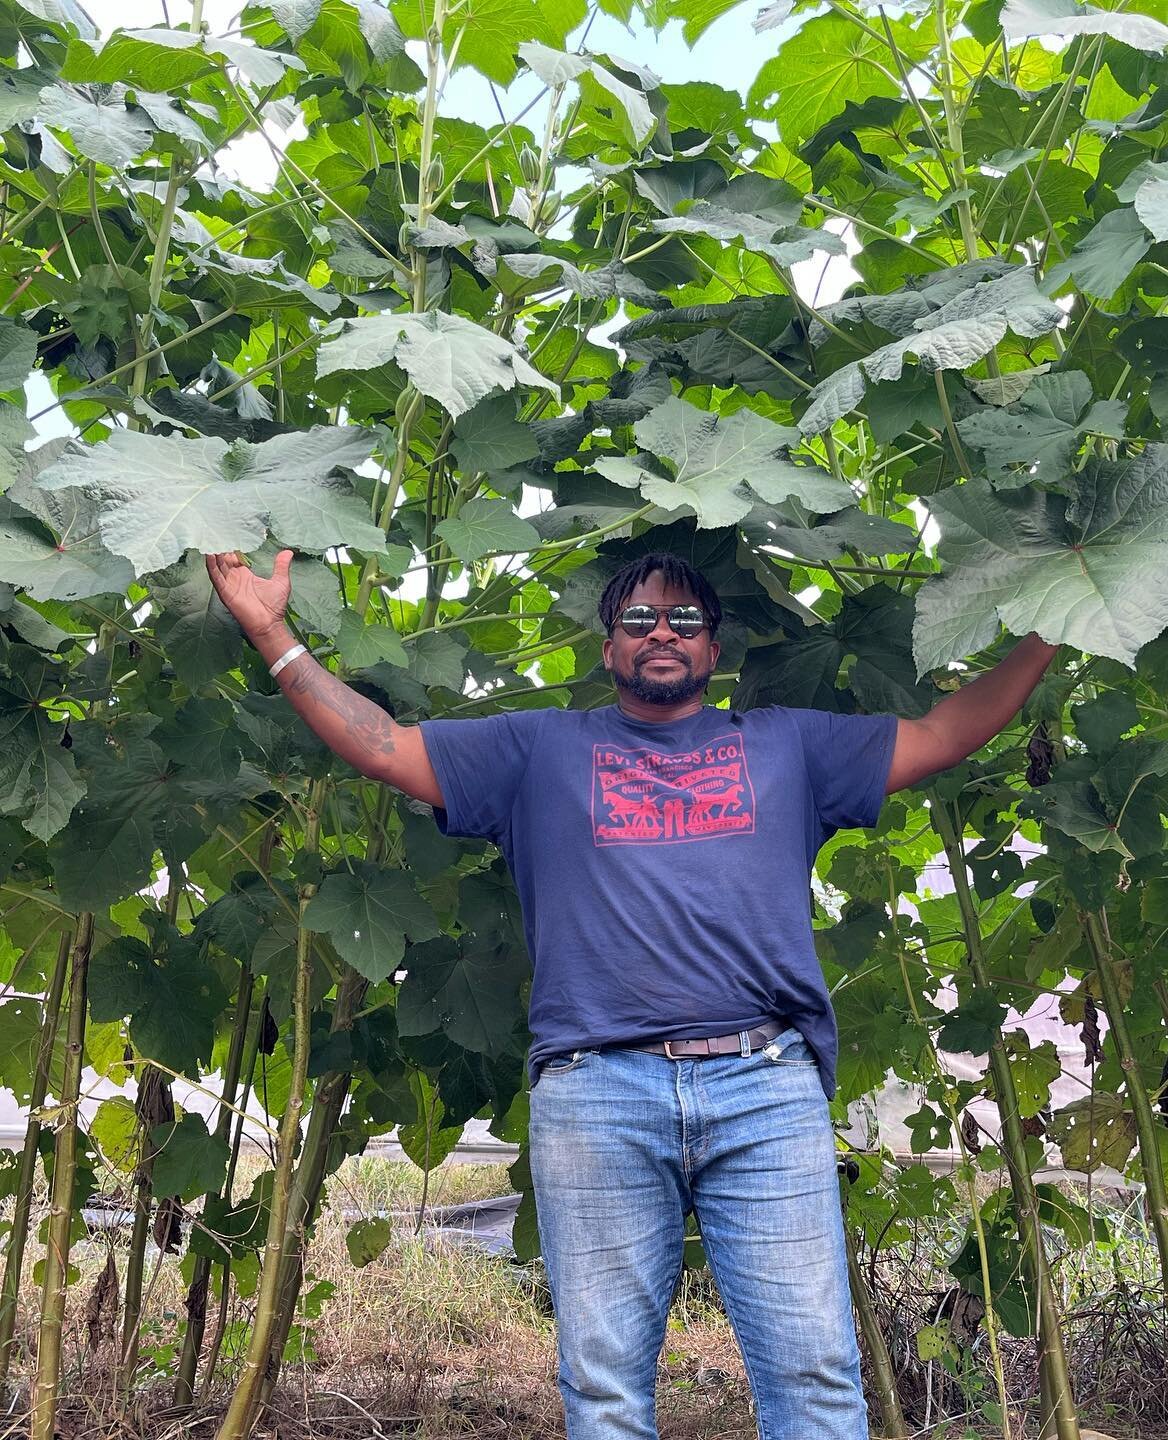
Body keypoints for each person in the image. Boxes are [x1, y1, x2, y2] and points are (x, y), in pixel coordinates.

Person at [206, 545, 1057, 1440]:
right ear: (608, 648)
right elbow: (386, 747)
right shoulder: (538, 748)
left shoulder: (789, 744)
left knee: (815, 1374)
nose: (662, 633)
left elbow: (946, 732)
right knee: (604, 1386)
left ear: (714, 649)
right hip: (595, 1089)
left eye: (685, 620)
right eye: (639, 620)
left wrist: (1060, 616)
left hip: (764, 1085)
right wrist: (271, 631)